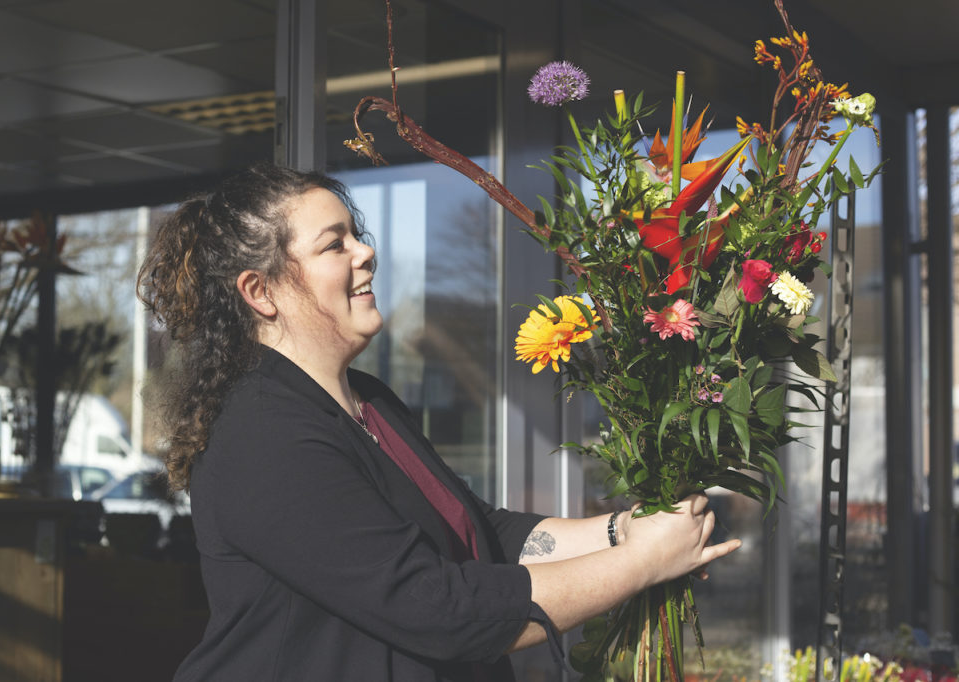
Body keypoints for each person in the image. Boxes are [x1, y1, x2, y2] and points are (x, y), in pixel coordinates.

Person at [137, 162, 740, 681]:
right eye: (333, 244)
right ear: (260, 292)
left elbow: (475, 532)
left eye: (357, 235)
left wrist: (623, 530)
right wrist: (639, 565)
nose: (365, 251)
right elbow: (433, 606)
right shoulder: (260, 432)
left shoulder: (367, 401)